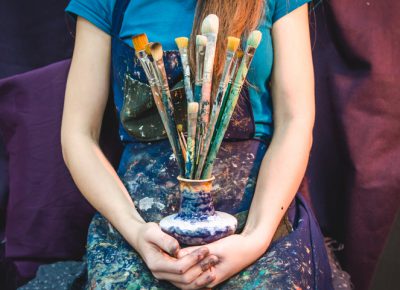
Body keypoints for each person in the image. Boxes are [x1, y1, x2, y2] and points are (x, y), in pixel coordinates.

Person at [61, 0, 333, 289]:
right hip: (139, 226)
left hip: (259, 218)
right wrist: (137, 231)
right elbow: (78, 134)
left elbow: (295, 122)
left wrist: (255, 237)